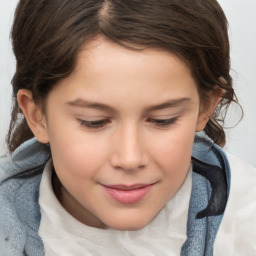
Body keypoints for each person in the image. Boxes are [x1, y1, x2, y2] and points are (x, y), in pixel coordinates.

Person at [0, 0, 255, 255]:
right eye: (93, 122)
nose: (130, 159)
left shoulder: (246, 222)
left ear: (206, 107)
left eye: (163, 119)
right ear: (36, 115)